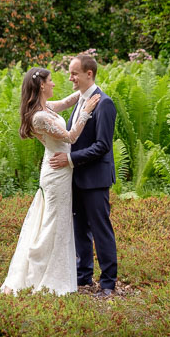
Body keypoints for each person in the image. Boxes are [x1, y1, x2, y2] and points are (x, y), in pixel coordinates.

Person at [0, 67, 100, 296]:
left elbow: (66, 101)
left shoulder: (47, 108)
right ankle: (42, 273)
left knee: (60, 220)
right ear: (42, 86)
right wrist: (85, 111)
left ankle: (61, 271)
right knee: (53, 222)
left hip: (61, 168)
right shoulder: (39, 117)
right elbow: (71, 136)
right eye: (51, 81)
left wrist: (85, 87)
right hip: (56, 174)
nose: (55, 84)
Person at [49, 54, 118, 298]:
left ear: (89, 74)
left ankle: (108, 283)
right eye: (70, 73)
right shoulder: (80, 100)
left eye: (74, 73)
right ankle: (83, 276)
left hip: (95, 179)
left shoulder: (104, 103)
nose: (70, 78)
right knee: (80, 230)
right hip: (76, 178)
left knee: (101, 230)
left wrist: (69, 159)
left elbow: (102, 146)